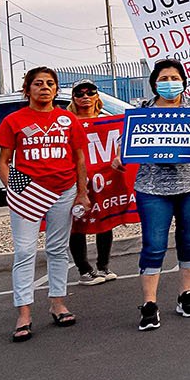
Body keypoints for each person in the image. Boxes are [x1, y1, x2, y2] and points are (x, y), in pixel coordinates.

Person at [81, 59, 190, 331]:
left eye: (174, 77)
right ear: (154, 83)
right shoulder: (141, 110)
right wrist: (120, 158)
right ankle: (149, 304)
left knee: (189, 240)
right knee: (154, 244)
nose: (169, 83)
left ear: (183, 80)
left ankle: (186, 296)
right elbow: (127, 144)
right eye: (164, 78)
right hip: (152, 189)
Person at [0, 66, 80, 341]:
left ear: (56, 89)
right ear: (27, 89)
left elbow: (79, 159)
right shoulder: (14, 120)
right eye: (38, 83)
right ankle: (24, 312)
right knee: (25, 251)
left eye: (50, 83)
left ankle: (58, 303)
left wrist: (83, 192)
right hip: (28, 194)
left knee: (57, 249)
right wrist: (17, 191)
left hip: (64, 190)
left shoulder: (68, 119)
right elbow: (3, 163)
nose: (44, 88)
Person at [65, 81, 118, 284]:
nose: (85, 96)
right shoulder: (67, 122)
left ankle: (103, 266)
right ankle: (84, 270)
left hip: (104, 179)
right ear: (74, 98)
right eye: (79, 93)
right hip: (76, 179)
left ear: (97, 96)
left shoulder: (108, 120)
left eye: (90, 92)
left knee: (105, 220)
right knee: (77, 223)